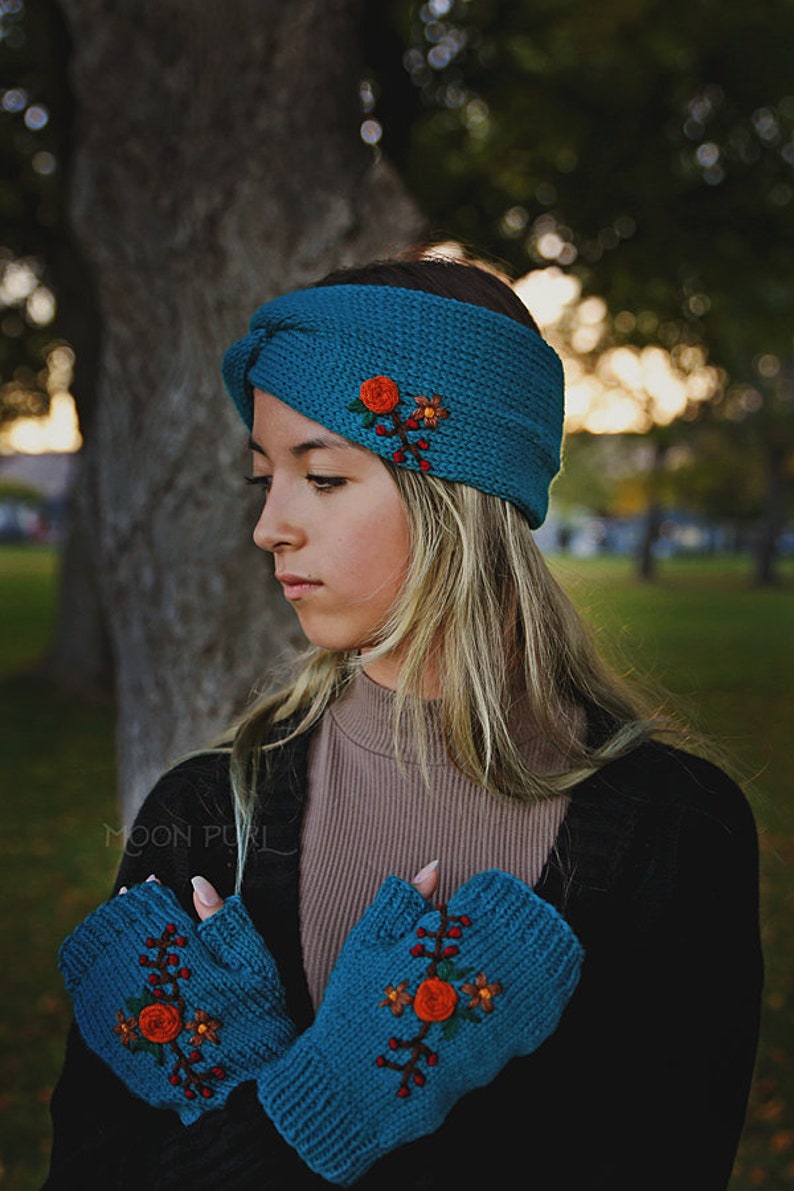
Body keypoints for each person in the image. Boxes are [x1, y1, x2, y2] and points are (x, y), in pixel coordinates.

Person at [44, 251, 763, 1190]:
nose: (270, 526)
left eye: (324, 476)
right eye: (265, 476)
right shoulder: (207, 814)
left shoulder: (676, 828)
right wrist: (324, 1101)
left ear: (459, 499)